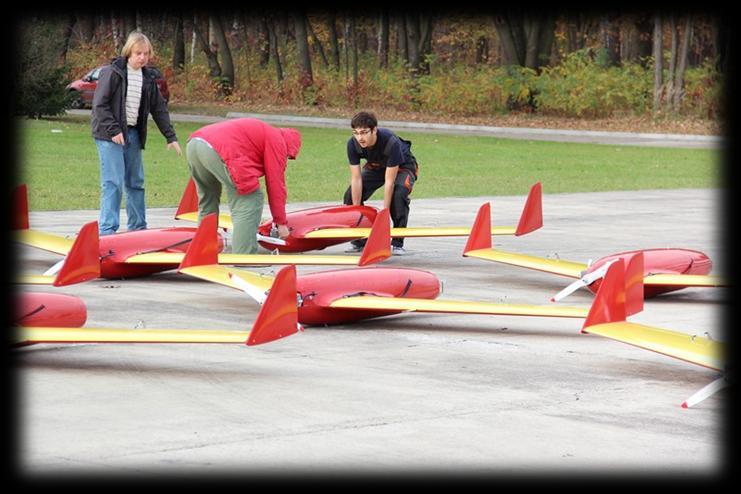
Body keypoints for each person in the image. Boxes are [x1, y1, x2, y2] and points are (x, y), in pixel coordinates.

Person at [91, 31, 181, 236]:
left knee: (135, 182)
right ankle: (107, 231)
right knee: (113, 182)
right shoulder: (112, 73)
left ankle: (138, 230)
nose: (143, 57)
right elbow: (99, 105)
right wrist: (114, 130)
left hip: (132, 133)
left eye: (146, 53)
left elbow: (159, 108)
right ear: (129, 52)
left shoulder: (148, 77)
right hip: (108, 135)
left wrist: (171, 137)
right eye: (138, 53)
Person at [186, 118, 302, 254]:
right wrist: (280, 222)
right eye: (288, 156)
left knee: (208, 202)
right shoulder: (278, 141)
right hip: (221, 149)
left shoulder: (265, 132)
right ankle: (244, 256)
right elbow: (275, 184)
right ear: (289, 145)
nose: (285, 158)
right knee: (250, 199)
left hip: (195, 144)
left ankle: (203, 252)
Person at [342, 111, 419, 256]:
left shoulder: (391, 142)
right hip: (376, 165)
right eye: (356, 133)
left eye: (364, 133)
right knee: (350, 197)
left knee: (398, 193)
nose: (360, 137)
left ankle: (397, 242)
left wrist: (384, 215)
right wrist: (357, 211)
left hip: (403, 166)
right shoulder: (352, 144)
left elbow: (389, 182)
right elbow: (356, 179)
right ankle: (360, 241)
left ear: (374, 130)